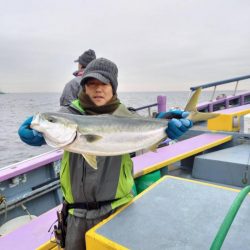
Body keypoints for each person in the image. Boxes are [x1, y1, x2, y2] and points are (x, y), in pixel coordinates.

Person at [18, 58, 193, 249]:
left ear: (113, 87)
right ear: (84, 86)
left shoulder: (127, 116)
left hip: (118, 208)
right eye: (91, 83)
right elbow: (57, 129)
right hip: (76, 213)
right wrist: (40, 132)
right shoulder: (68, 113)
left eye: (104, 83)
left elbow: (143, 125)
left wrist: (165, 123)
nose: (98, 89)